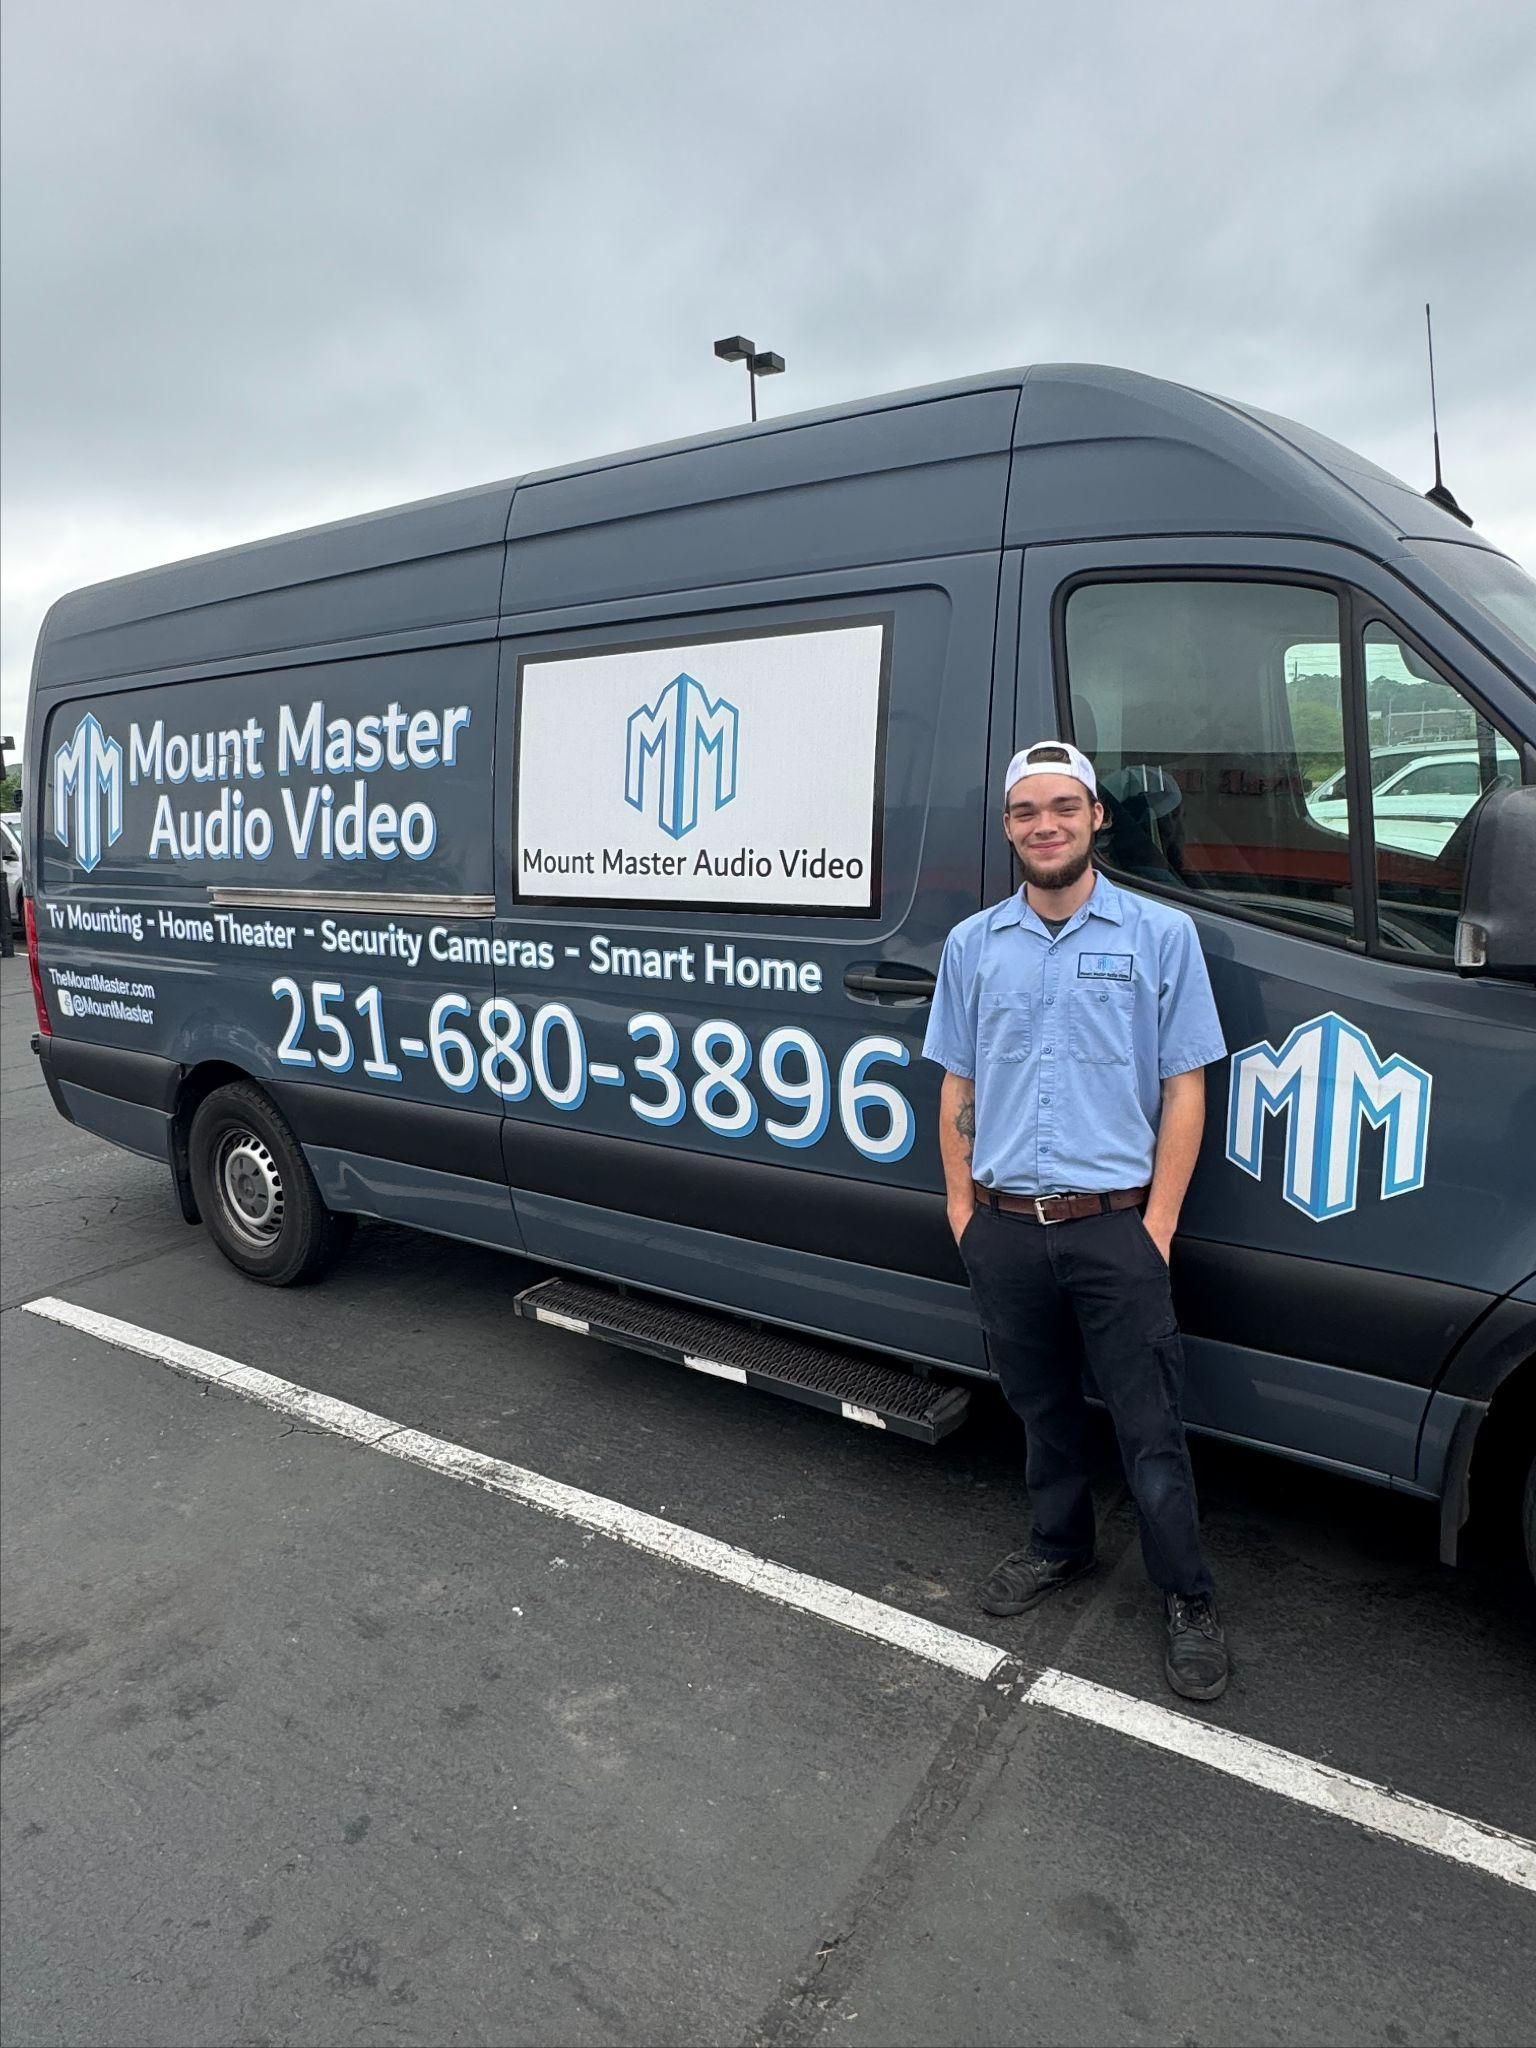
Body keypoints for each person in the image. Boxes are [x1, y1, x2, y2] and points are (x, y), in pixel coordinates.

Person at [922, 739, 1231, 1702]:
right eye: (1025, 812)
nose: (1044, 825)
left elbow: (1187, 1091)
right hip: (1007, 1227)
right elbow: (957, 1085)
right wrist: (964, 1210)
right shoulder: (974, 946)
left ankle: (1188, 1597)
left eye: (1064, 807)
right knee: (1040, 1410)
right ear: (1009, 827)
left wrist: (1158, 1228)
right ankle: (1059, 1547)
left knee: (1149, 1428)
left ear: (1098, 818)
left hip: (1115, 1228)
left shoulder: (1158, 937)